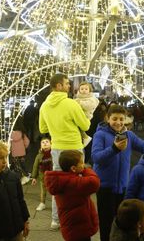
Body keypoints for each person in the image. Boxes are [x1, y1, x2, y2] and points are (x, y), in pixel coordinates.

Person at [39, 73, 91, 230]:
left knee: (58, 183)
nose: (70, 86)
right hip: (74, 147)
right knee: (78, 182)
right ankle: (77, 218)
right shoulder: (71, 104)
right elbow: (86, 125)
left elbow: (42, 128)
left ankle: (56, 220)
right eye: (67, 83)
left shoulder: (44, 106)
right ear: (59, 86)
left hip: (57, 148)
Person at [91, 104, 144, 241]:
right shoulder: (100, 135)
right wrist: (114, 148)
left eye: (121, 119)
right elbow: (96, 158)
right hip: (105, 187)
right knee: (106, 224)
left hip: (123, 187)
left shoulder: (129, 135)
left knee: (123, 223)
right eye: (115, 119)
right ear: (107, 118)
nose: (118, 122)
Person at [44, 150, 100, 241]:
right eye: (81, 163)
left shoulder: (61, 180)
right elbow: (94, 182)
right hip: (79, 229)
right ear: (73, 168)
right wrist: (85, 170)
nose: (83, 165)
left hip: (71, 227)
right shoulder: (73, 182)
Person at [31, 136, 53, 211]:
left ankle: (56, 203)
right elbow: (35, 166)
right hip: (43, 176)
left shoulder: (53, 153)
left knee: (55, 190)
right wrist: (34, 177)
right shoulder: (39, 155)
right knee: (43, 190)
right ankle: (42, 203)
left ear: (51, 144)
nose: (45, 144)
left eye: (47, 142)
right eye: (43, 142)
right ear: (40, 145)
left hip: (53, 176)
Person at [75, 81, 100, 146]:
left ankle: (85, 137)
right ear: (79, 90)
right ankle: (84, 137)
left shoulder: (92, 98)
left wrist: (79, 103)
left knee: (80, 127)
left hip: (86, 115)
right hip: (79, 115)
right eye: (82, 89)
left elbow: (88, 106)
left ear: (89, 90)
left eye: (86, 89)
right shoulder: (78, 98)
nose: (84, 90)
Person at [10, 119, 30, 185]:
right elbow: (27, 142)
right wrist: (24, 147)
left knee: (17, 166)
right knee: (23, 163)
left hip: (14, 153)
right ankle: (27, 174)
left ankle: (22, 177)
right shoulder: (22, 133)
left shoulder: (10, 134)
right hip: (22, 152)